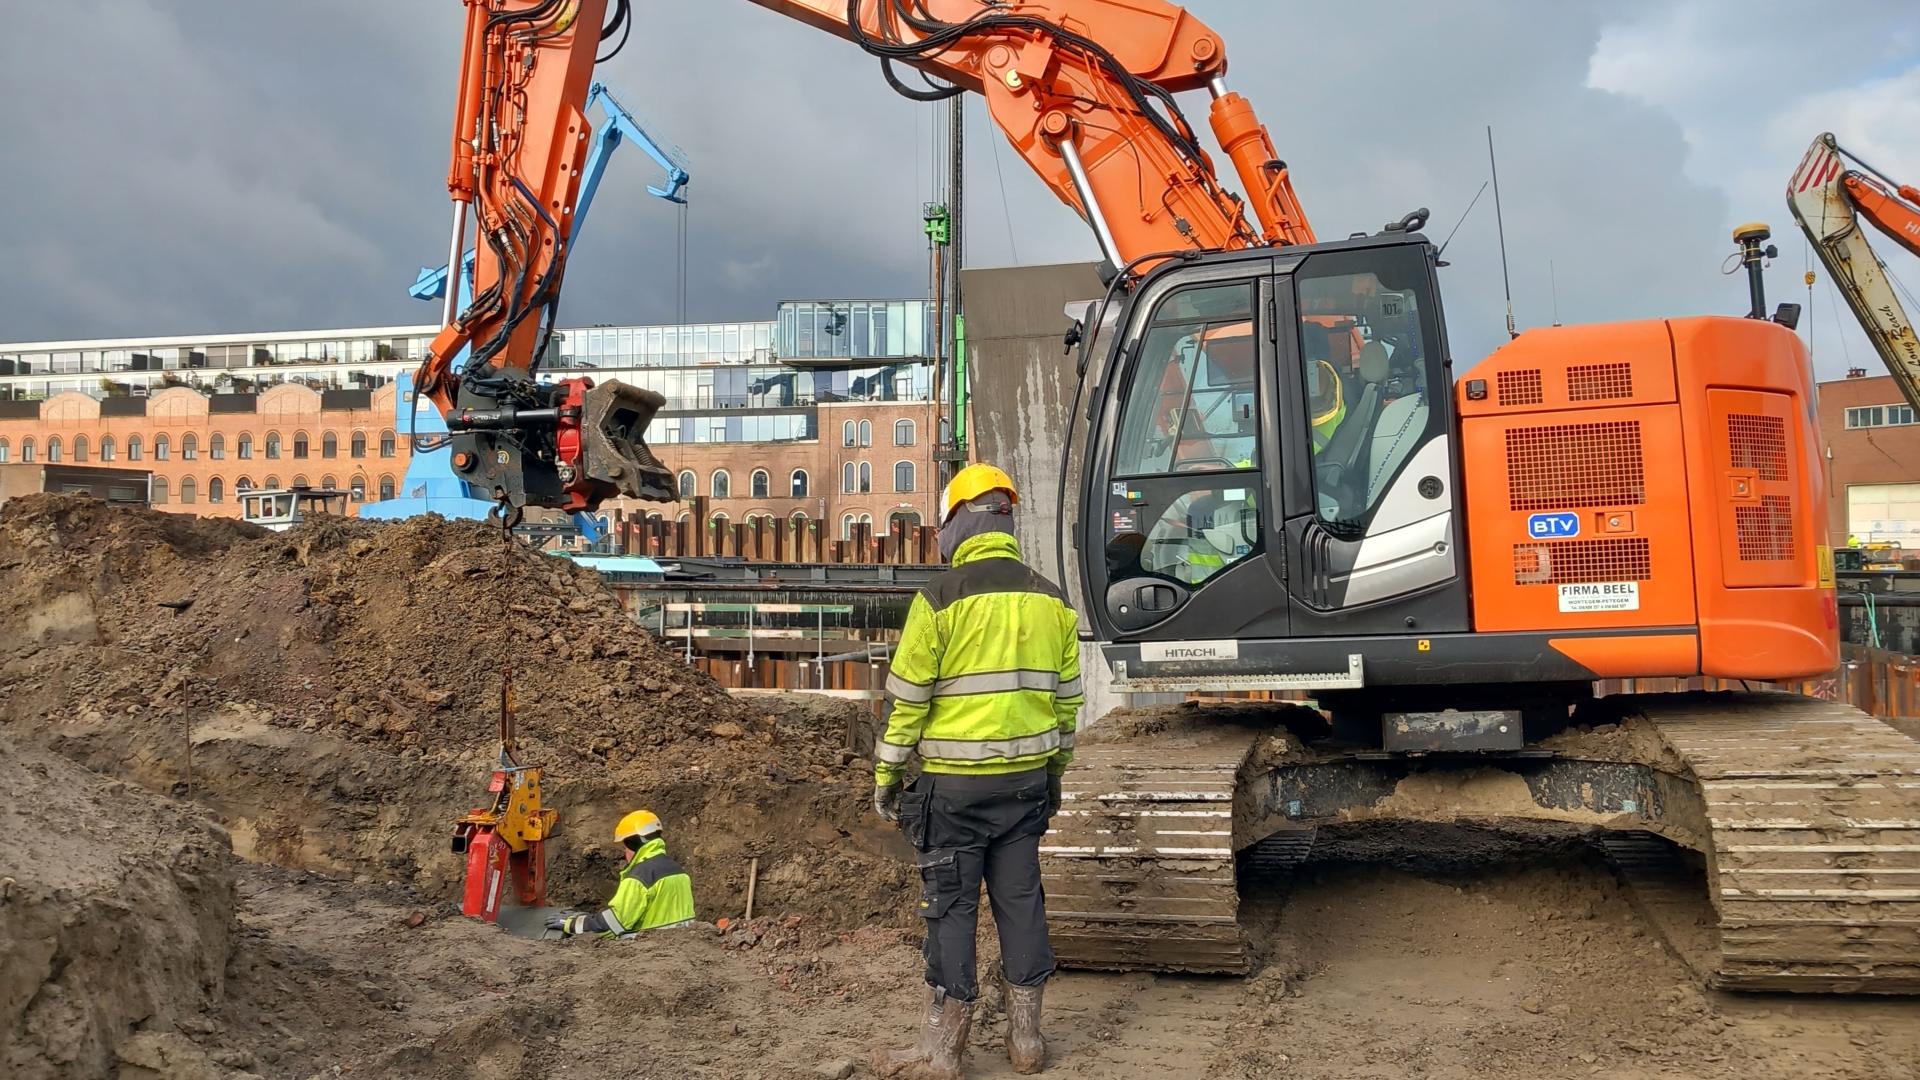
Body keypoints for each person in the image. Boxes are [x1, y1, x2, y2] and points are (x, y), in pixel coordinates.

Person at [873, 462, 1084, 1079]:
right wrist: (1054, 773)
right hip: (1024, 788)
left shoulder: (938, 599)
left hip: (954, 791)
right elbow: (1067, 703)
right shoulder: (1052, 599)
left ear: (960, 520)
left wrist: (887, 776)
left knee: (951, 909)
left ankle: (943, 1049)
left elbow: (907, 701)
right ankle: (1027, 1042)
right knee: (1022, 903)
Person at [545, 810, 695, 937]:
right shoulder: (678, 871)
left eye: (625, 846)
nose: (625, 853)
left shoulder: (640, 876)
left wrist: (574, 924)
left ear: (634, 843)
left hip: (649, 953)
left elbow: (615, 923)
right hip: (679, 948)